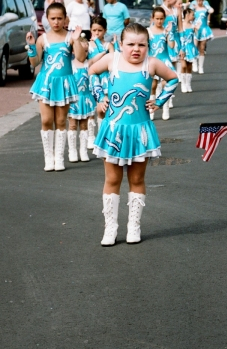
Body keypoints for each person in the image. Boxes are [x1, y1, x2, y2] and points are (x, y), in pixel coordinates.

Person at [89, 23, 179, 246]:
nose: (136, 49)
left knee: (137, 179)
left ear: (148, 46)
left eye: (142, 44)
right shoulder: (112, 60)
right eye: (130, 44)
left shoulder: (152, 64)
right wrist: (100, 96)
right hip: (113, 129)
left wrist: (159, 101)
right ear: (121, 44)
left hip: (140, 130)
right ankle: (110, 227)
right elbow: (91, 72)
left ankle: (134, 226)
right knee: (112, 179)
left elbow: (174, 79)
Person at [26, 3, 87, 171]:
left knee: (61, 121)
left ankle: (59, 158)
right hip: (46, 83)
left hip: (64, 83)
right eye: (53, 18)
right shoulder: (42, 38)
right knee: (46, 120)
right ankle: (49, 157)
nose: (56, 22)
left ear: (65, 18)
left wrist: (76, 40)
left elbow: (81, 58)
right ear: (47, 18)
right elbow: (35, 62)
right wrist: (31, 47)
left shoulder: (70, 37)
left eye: (60, 18)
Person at [87, 16, 114, 148]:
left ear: (105, 30)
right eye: (94, 30)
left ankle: (102, 134)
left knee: (103, 108)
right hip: (91, 79)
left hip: (105, 80)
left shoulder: (109, 45)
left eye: (100, 30)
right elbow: (88, 62)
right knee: (91, 109)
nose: (97, 33)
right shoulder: (87, 45)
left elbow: (114, 60)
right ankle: (91, 136)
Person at [67, 39, 95, 163]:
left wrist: (96, 43)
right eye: (81, 50)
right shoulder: (70, 64)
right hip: (74, 99)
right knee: (72, 125)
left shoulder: (88, 64)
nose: (84, 53)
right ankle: (72, 150)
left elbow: (102, 55)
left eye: (86, 51)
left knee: (84, 125)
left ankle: (83, 150)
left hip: (85, 98)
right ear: (74, 50)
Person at [148, 7, 176, 121]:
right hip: (152, 61)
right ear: (153, 18)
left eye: (161, 19)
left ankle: (165, 108)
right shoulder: (148, 31)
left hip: (165, 61)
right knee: (152, 86)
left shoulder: (166, 31)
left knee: (166, 84)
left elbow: (172, 45)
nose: (159, 21)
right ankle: (151, 109)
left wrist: (170, 32)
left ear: (165, 18)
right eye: (157, 18)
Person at [192, 0, 214, 73]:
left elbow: (211, 11)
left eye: (200, 0)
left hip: (204, 30)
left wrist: (207, 6)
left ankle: (201, 67)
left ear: (203, 0)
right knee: (194, 47)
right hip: (195, 30)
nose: (198, 2)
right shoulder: (194, 8)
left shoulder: (205, 8)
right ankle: (194, 63)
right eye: (197, 0)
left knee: (202, 48)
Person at [179, 8, 199, 93]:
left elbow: (196, 36)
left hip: (191, 47)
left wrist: (197, 29)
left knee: (189, 66)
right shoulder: (181, 25)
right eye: (192, 15)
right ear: (187, 14)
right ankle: (183, 84)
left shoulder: (192, 25)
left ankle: (188, 84)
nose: (194, 16)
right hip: (182, 48)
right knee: (183, 66)